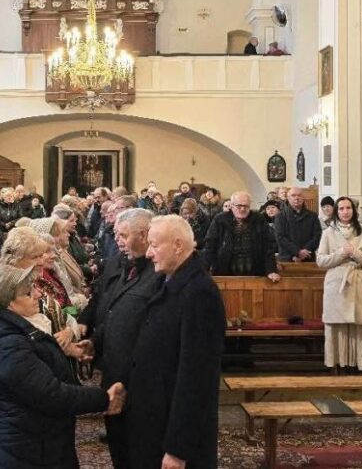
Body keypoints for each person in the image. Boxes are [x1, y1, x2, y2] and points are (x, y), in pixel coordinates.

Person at [0, 264, 123, 469]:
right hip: (28, 449)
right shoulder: (8, 346)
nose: (38, 294)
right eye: (28, 293)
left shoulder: (21, 327)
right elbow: (50, 394)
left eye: (34, 287)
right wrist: (103, 399)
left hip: (41, 439)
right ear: (10, 303)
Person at [122, 216, 225, 469]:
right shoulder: (167, 280)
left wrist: (178, 448)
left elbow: (197, 378)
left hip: (173, 434)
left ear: (178, 245)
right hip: (154, 419)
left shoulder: (199, 293)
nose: (148, 253)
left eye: (155, 245)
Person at [79, 208, 160, 468]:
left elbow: (152, 334)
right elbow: (113, 312)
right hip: (113, 370)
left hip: (138, 380)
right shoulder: (125, 264)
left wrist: (126, 380)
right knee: (118, 442)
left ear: (144, 235)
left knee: (140, 449)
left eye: (123, 235)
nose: (117, 241)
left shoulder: (158, 274)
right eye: (116, 234)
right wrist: (95, 341)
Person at [316, 196, 362, 373]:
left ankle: (359, 364)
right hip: (336, 283)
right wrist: (341, 253)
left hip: (358, 279)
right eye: (341, 208)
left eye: (348, 208)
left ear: (354, 210)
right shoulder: (329, 232)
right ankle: (337, 363)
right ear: (336, 211)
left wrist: (356, 254)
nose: (345, 212)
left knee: (360, 323)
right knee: (337, 325)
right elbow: (321, 261)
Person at [204, 191, 280, 280]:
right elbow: (210, 246)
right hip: (224, 273)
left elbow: (268, 246)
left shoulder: (259, 219)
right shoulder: (219, 220)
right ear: (232, 206)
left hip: (256, 274)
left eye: (246, 206)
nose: (242, 209)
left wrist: (271, 270)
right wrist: (203, 270)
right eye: (239, 206)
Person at [274, 187, 323, 263]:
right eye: (293, 195)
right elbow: (280, 238)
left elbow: (317, 236)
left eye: (299, 195)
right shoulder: (280, 217)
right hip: (287, 259)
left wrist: (305, 251)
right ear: (288, 198)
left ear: (303, 198)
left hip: (308, 258)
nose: (296, 198)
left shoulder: (312, 216)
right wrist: (297, 252)